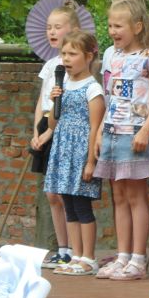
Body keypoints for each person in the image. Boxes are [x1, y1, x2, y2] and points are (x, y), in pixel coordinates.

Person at [93, 0, 149, 280]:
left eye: (118, 26)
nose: (113, 31)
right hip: (112, 131)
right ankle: (122, 255)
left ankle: (138, 258)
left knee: (136, 196)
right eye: (110, 25)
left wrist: (146, 130)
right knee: (119, 196)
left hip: (135, 132)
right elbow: (110, 97)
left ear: (137, 26)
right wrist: (100, 132)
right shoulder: (113, 56)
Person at [45, 31, 105, 275]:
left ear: (89, 56)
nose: (66, 59)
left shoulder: (93, 89)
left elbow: (95, 127)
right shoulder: (62, 85)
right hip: (63, 151)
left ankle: (89, 258)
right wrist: (53, 101)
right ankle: (75, 254)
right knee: (68, 205)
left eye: (72, 54)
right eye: (64, 54)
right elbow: (52, 123)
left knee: (82, 206)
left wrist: (91, 162)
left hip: (80, 153)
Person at [29, 0, 80, 269]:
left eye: (58, 27)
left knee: (63, 193)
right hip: (45, 126)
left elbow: (68, 105)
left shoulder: (76, 67)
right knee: (50, 193)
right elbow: (42, 100)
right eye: (49, 27)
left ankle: (73, 249)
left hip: (60, 128)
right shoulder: (50, 65)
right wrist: (36, 131)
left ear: (73, 30)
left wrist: (50, 131)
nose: (51, 31)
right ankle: (61, 248)